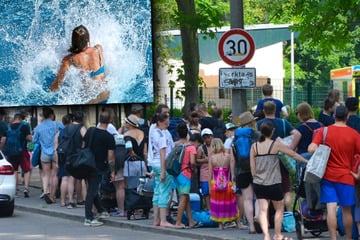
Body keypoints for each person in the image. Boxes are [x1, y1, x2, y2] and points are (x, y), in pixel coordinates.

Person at [309, 105, 360, 240]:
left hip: (328, 176)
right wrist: (358, 174)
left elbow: (311, 149)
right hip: (347, 177)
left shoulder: (324, 131)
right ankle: (349, 238)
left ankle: (333, 238)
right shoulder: (354, 134)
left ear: (334, 116)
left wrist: (323, 151)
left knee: (331, 208)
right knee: (346, 210)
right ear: (347, 117)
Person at [250, 121, 308, 240]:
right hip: (274, 183)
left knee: (262, 210)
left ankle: (266, 235)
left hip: (259, 183)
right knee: (279, 209)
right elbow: (292, 154)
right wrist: (307, 161)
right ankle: (277, 234)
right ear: (272, 132)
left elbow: (252, 167)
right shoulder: (275, 145)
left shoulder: (254, 146)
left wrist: (256, 177)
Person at [256, 101, 300, 211]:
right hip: (281, 158)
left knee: (266, 187)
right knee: (285, 188)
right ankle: (287, 214)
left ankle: (266, 217)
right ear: (275, 110)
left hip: (265, 159)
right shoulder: (283, 123)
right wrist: (289, 148)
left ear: (263, 111)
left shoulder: (259, 124)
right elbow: (298, 134)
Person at [49, 25, 109, 104]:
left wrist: (49, 91)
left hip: (90, 97)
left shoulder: (69, 59)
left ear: (73, 41)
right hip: (105, 93)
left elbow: (57, 84)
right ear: (88, 39)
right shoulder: (98, 48)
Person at [83, 111, 115, 227]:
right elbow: (111, 158)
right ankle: (88, 217)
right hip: (98, 166)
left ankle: (101, 211)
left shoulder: (90, 131)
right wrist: (112, 171)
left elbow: (83, 145)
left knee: (93, 188)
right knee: (92, 191)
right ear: (110, 121)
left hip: (86, 164)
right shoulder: (109, 137)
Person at [234, 111, 261, 233]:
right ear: (252, 122)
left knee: (247, 199)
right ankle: (257, 217)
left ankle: (251, 226)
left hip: (241, 171)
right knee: (259, 197)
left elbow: (234, 157)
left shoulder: (236, 137)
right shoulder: (257, 135)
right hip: (257, 169)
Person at [147, 112, 175, 228]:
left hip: (155, 164)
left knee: (157, 191)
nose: (167, 122)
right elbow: (163, 154)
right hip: (162, 165)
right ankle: (163, 220)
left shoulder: (154, 132)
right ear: (160, 122)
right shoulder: (162, 135)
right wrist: (164, 170)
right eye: (165, 120)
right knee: (164, 191)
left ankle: (156, 219)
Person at [173, 123, 202, 229]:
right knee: (183, 198)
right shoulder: (191, 148)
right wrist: (194, 170)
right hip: (186, 173)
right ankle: (178, 222)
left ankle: (191, 221)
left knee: (186, 197)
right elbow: (193, 162)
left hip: (177, 173)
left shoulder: (176, 144)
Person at [33, 107, 63, 204]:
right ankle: (52, 196)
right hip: (55, 152)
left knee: (46, 174)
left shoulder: (39, 127)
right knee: (54, 175)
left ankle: (46, 191)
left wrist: (42, 142)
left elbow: (35, 141)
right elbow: (64, 134)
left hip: (44, 153)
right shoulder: (58, 125)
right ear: (51, 115)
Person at [208, 138, 239, 230]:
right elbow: (232, 173)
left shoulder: (212, 158)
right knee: (232, 204)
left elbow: (210, 175)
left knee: (218, 205)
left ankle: (220, 225)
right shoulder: (228, 156)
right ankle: (237, 223)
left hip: (216, 185)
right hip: (227, 184)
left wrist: (210, 187)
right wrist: (234, 183)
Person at [1, 113, 32, 198]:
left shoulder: (8, 127)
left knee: (14, 170)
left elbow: (3, 140)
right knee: (26, 170)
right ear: (21, 119)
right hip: (22, 151)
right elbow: (29, 138)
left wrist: (2, 149)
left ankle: (15, 189)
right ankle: (26, 188)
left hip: (10, 152)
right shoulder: (25, 126)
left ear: (14, 118)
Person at [197, 128, 214, 211]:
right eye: (205, 137)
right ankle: (208, 209)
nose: (207, 139)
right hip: (205, 173)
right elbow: (197, 160)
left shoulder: (216, 147)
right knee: (206, 192)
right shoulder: (201, 148)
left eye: (208, 137)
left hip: (215, 172)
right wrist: (205, 160)